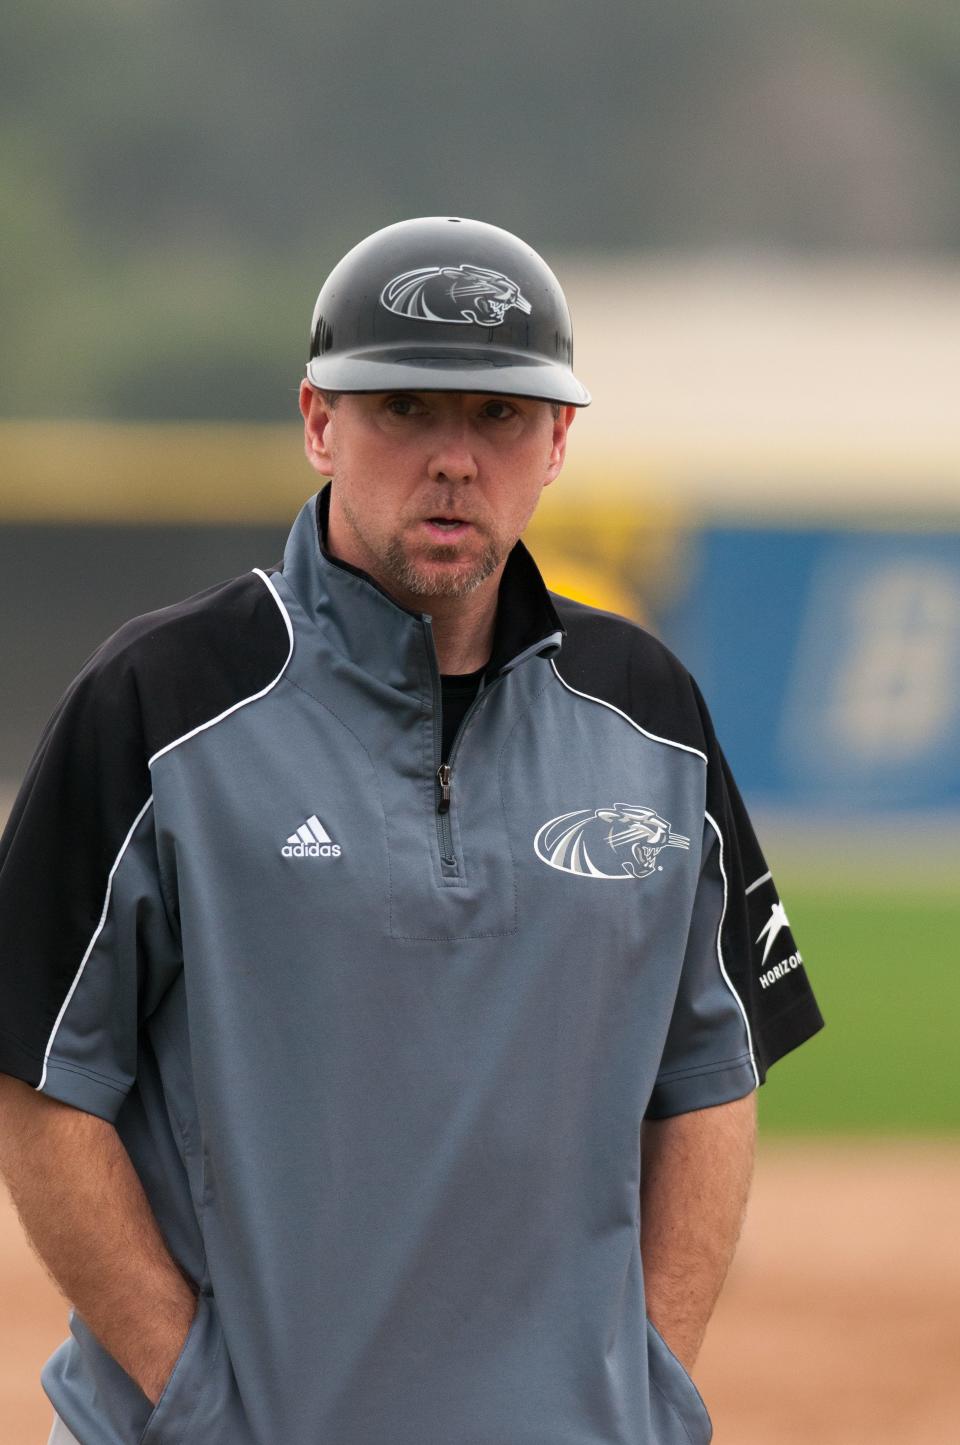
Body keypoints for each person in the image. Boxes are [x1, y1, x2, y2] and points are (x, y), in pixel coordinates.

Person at [0, 216, 823, 1445]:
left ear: (557, 443)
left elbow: (710, 1068)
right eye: (405, 409)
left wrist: (648, 1385)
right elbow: (37, 1070)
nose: (453, 459)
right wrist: (197, 1398)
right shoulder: (160, 701)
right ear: (320, 422)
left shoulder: (651, 713)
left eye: (498, 417)